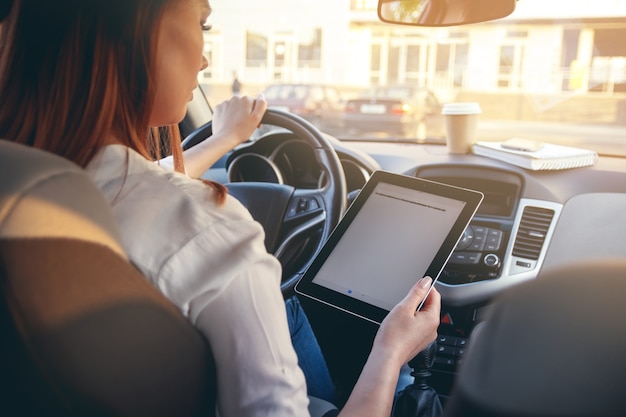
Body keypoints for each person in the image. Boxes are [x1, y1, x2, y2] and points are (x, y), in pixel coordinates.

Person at [0, 1, 442, 417]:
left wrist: (225, 137)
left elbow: (138, 178)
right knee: (401, 375)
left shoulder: (30, 181)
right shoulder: (211, 231)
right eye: (202, 24)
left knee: (286, 308)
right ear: (138, 34)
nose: (205, 60)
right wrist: (391, 349)